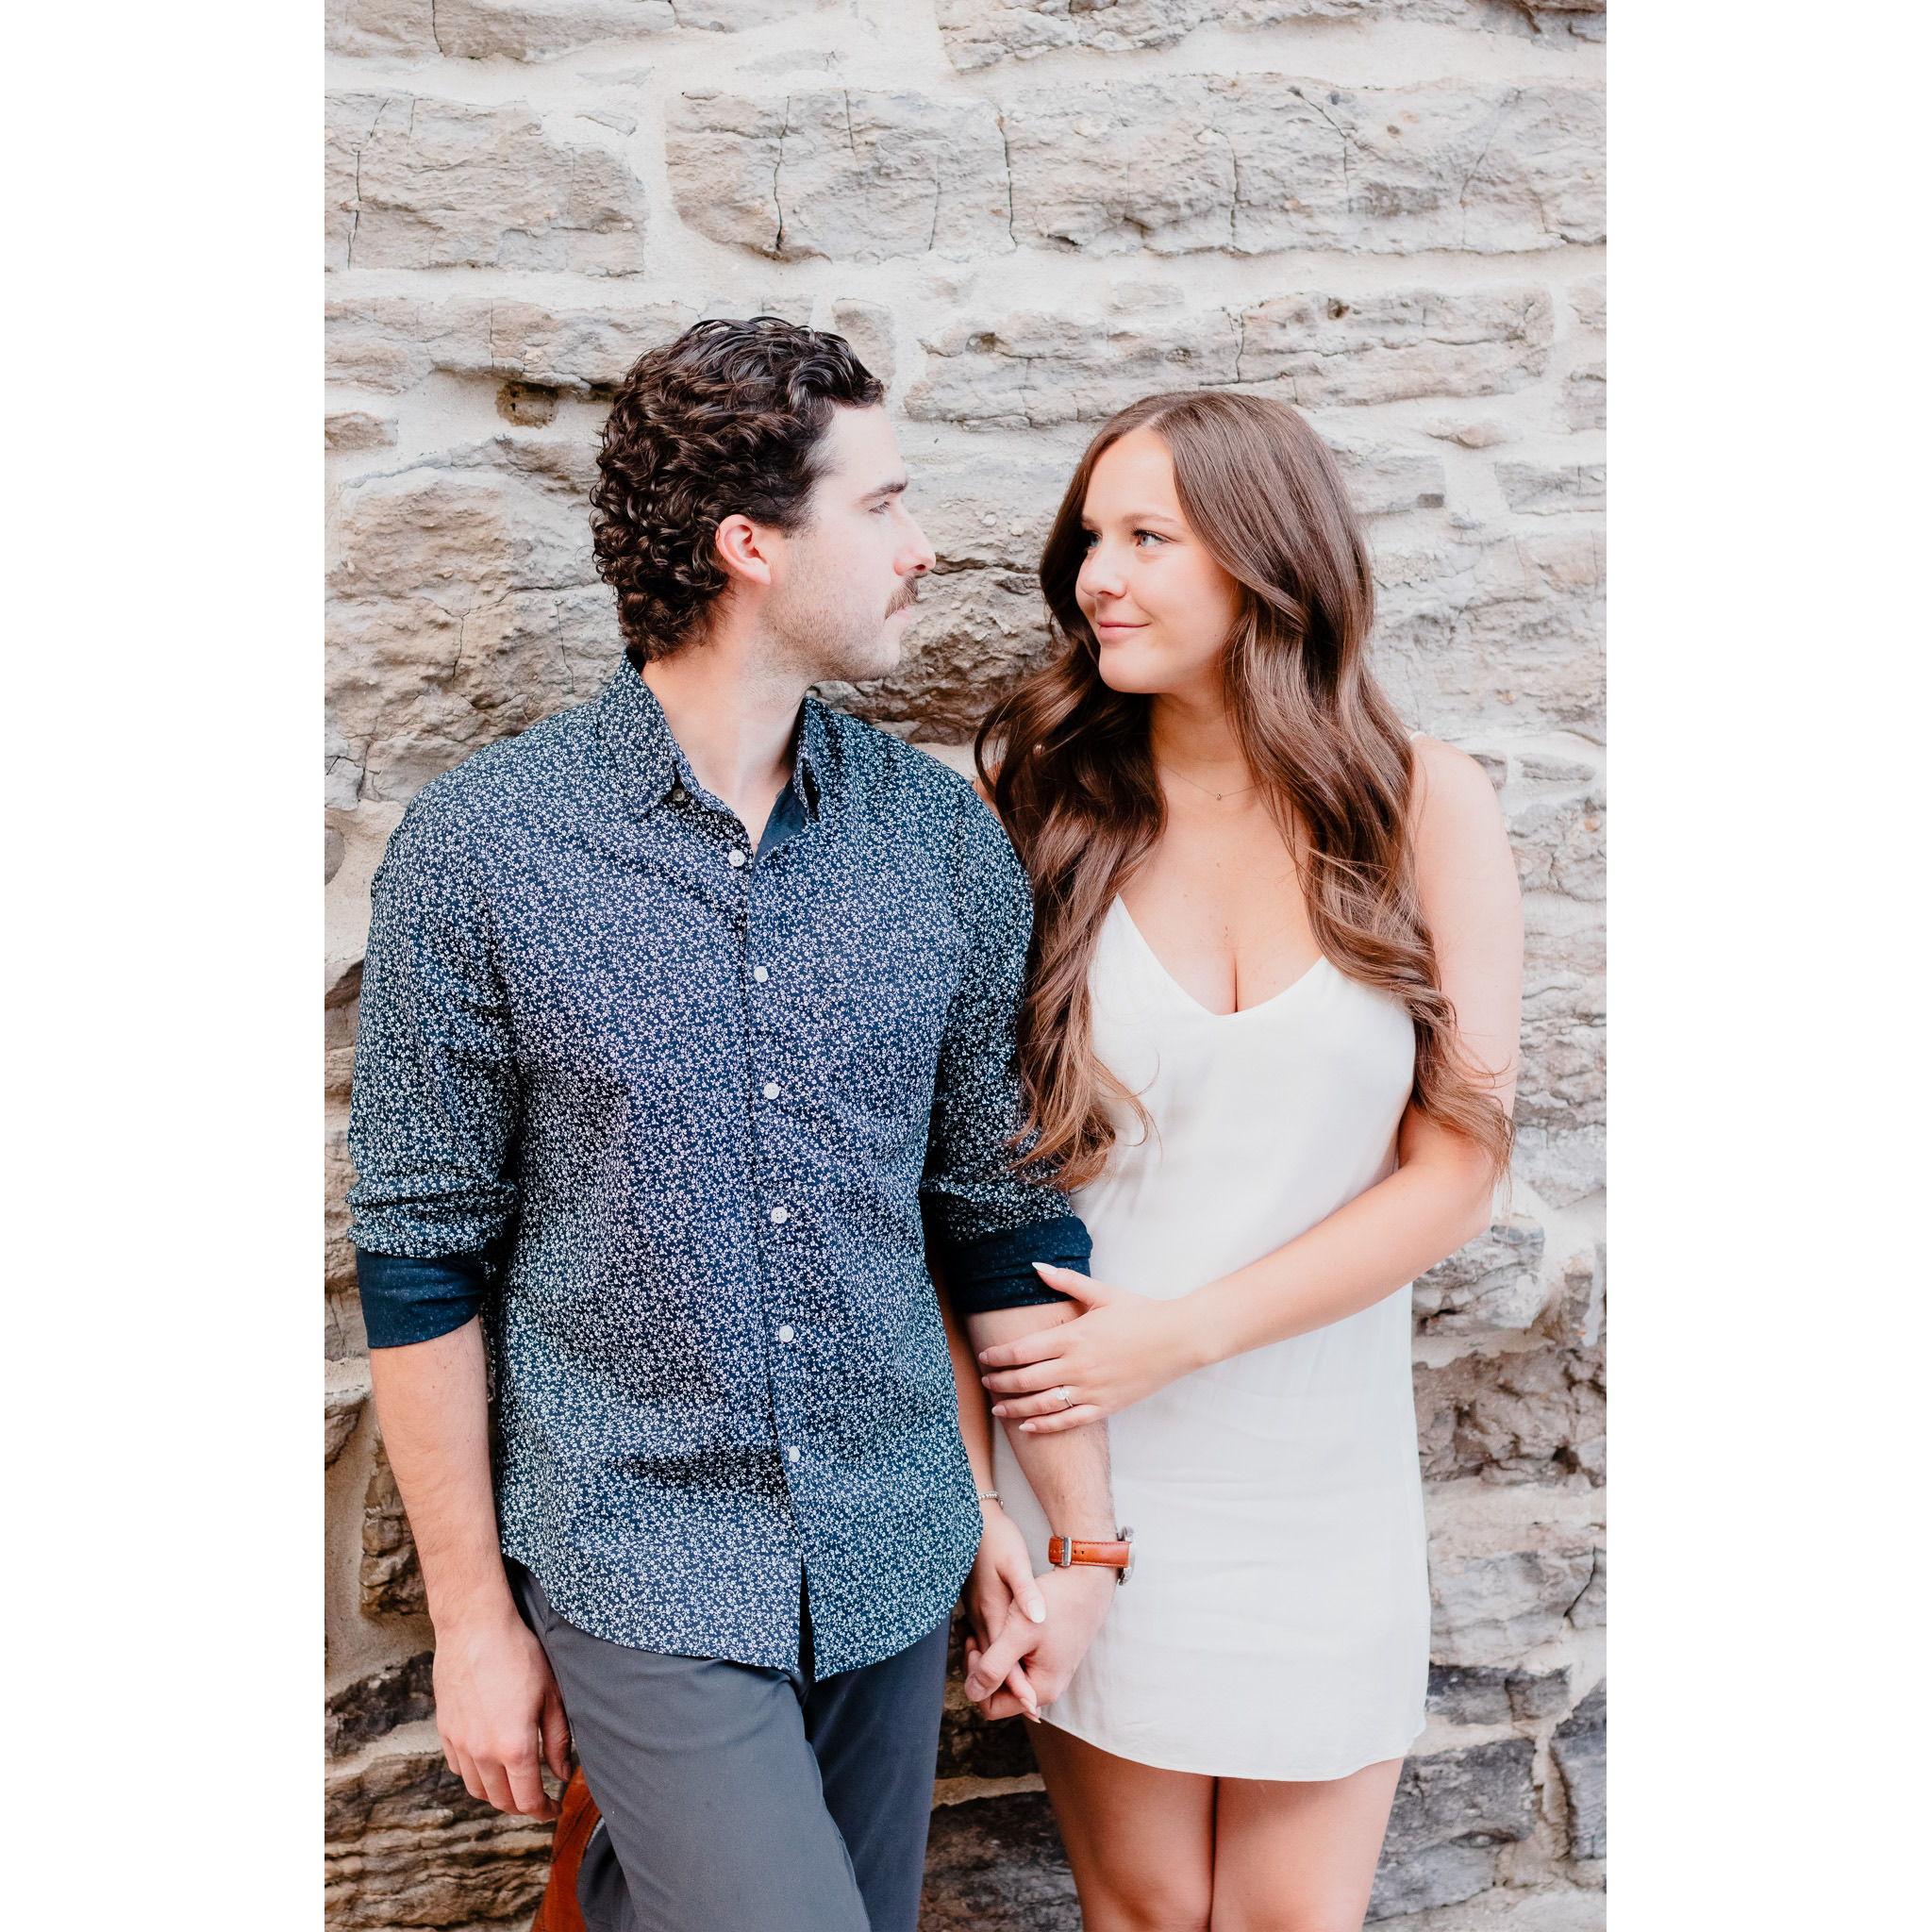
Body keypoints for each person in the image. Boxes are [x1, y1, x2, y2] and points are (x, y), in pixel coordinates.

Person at [345, 317, 1128, 1932]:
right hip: (636, 1554)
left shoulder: (936, 841)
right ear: (749, 546)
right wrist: (476, 1625)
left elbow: (999, 1219)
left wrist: (1066, 1538)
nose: (922, 548)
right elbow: (421, 1257)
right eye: (882, 505)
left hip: (894, 1549)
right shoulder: (484, 848)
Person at [958, 390, 1524, 1932]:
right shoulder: (1035, 811)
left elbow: (1457, 1168)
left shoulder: (1423, 804)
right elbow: (960, 1176)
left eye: (1149, 538)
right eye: (1092, 538)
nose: (1099, 577)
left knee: (1293, 1920)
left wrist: (1182, 1335)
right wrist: (1006, 1483)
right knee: (1144, 1912)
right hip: (1091, 1462)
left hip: (1317, 1465)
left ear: (1268, 563)